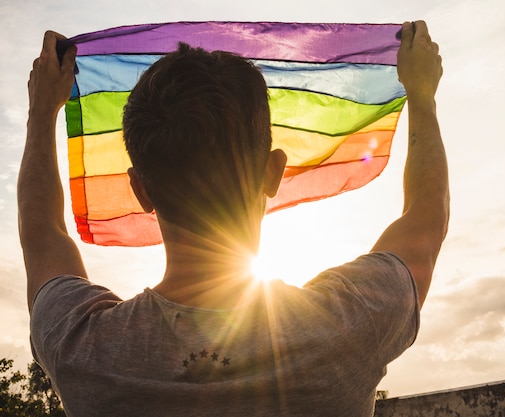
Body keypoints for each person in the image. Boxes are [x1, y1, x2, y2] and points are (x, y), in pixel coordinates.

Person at [18, 20, 448, 417]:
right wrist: (421, 93)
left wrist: (41, 113)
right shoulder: (350, 322)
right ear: (273, 171)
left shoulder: (84, 350)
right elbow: (427, 217)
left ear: (140, 190)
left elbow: (42, 234)